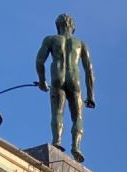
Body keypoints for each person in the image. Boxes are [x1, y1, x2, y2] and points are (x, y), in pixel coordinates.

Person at [35, 13, 96, 161]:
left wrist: (42, 81)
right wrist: (90, 95)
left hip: (57, 77)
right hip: (74, 79)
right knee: (78, 116)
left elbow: (39, 61)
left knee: (57, 112)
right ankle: (76, 146)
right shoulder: (80, 44)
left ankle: (57, 141)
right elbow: (89, 71)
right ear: (73, 28)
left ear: (58, 27)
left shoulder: (51, 39)